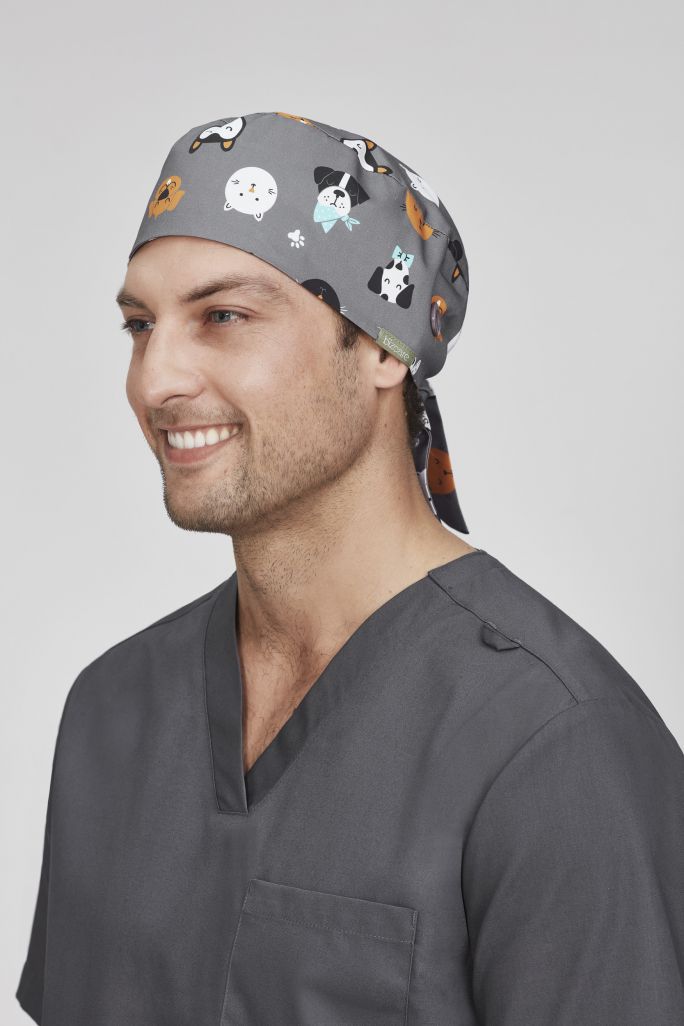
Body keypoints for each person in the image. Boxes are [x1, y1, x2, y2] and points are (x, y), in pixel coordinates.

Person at [16, 111, 684, 1025]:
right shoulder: (112, 711)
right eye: (139, 324)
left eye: (222, 316)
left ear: (380, 346)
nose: (155, 380)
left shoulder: (556, 750)